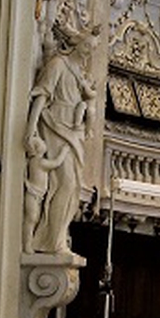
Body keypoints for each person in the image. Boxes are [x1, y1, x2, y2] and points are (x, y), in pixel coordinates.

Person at [22, 28, 100, 254]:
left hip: (73, 132)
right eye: (87, 47)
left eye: (92, 49)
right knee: (64, 183)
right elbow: (42, 95)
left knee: (73, 186)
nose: (88, 53)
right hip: (55, 125)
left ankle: (58, 238)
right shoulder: (58, 63)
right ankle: (49, 241)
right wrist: (30, 128)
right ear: (76, 44)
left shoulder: (79, 72)